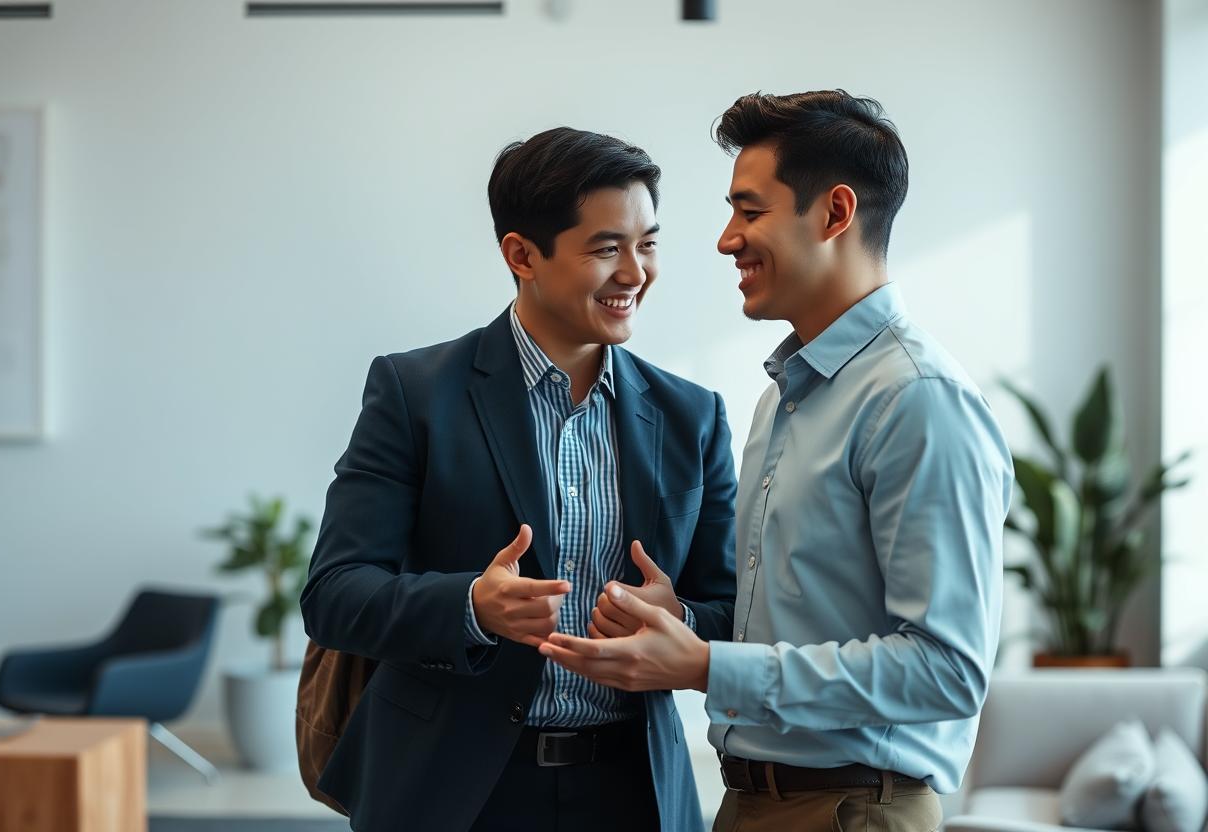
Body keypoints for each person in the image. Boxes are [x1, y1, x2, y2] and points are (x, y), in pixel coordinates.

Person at [539, 91, 1014, 832]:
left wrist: (703, 667)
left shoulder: (918, 401)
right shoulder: (785, 396)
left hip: (854, 810)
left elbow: (945, 671)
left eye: (749, 211)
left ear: (835, 213)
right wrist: (691, 627)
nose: (727, 240)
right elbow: (806, 624)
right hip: (757, 802)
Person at [300, 126, 738, 832]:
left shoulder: (693, 417)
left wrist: (677, 619)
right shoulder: (415, 394)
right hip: (453, 790)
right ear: (522, 254)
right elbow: (335, 595)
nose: (635, 272)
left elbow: (732, 607)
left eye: (647, 243)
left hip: (634, 791)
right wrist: (473, 605)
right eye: (606, 248)